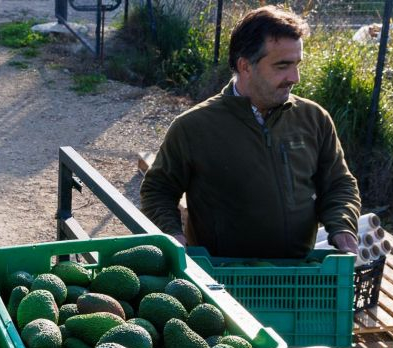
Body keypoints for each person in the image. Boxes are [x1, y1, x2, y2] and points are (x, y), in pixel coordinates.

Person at [140, 5, 360, 258]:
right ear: (245, 66)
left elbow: (338, 183)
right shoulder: (193, 127)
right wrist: (173, 237)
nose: (295, 77)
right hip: (223, 278)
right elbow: (158, 190)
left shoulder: (313, 119)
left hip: (301, 276)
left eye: (297, 64)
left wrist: (343, 227)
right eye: (282, 66)